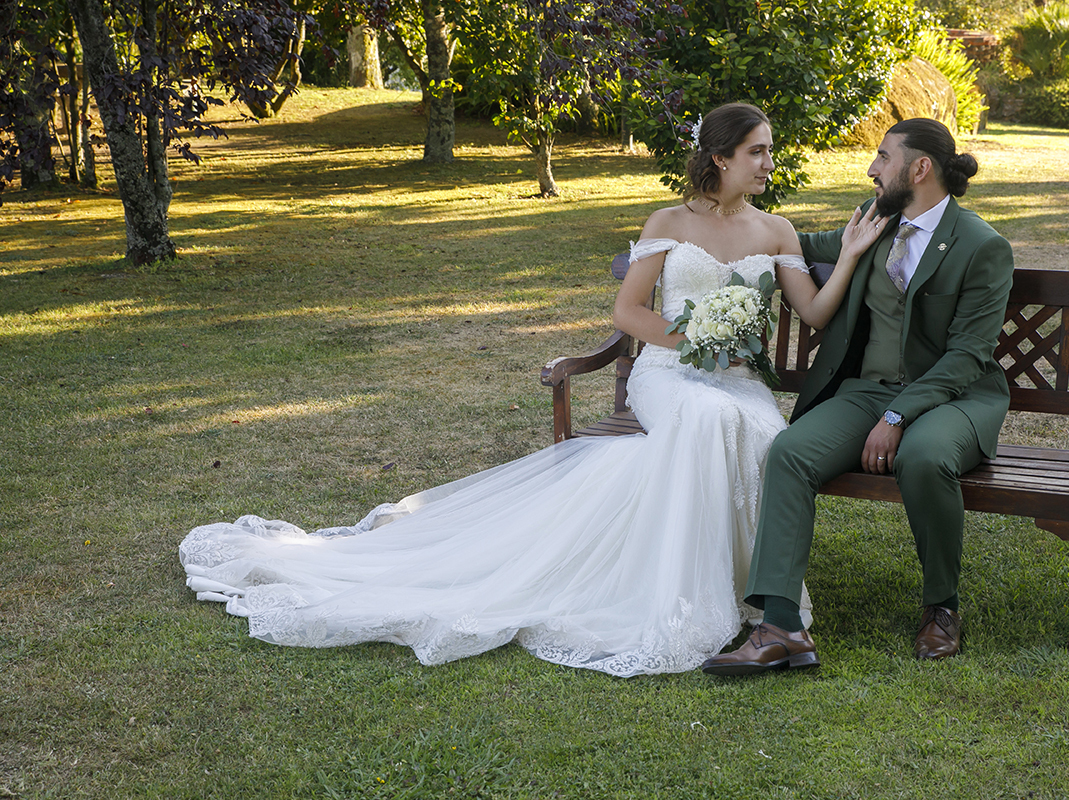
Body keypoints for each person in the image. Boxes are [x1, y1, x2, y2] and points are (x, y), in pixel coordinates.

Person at [179, 103, 883, 677]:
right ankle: (687, 601)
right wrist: (693, 341)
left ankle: (760, 603)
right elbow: (628, 315)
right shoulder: (670, 224)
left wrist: (847, 257)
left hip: (740, 383)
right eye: (757, 152)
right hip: (670, 376)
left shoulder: (778, 228)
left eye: (769, 152)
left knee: (764, 433)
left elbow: (814, 313)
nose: (768, 163)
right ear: (721, 157)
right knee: (701, 419)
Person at [701, 118, 1014, 676]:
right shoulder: (875, 223)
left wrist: (899, 414)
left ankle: (942, 608)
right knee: (790, 452)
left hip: (953, 399)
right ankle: (780, 627)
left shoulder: (982, 246)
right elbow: (787, 243)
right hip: (866, 391)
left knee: (924, 457)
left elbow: (967, 356)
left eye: (882, 157)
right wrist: (704, 222)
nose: (871, 169)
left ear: (920, 169)